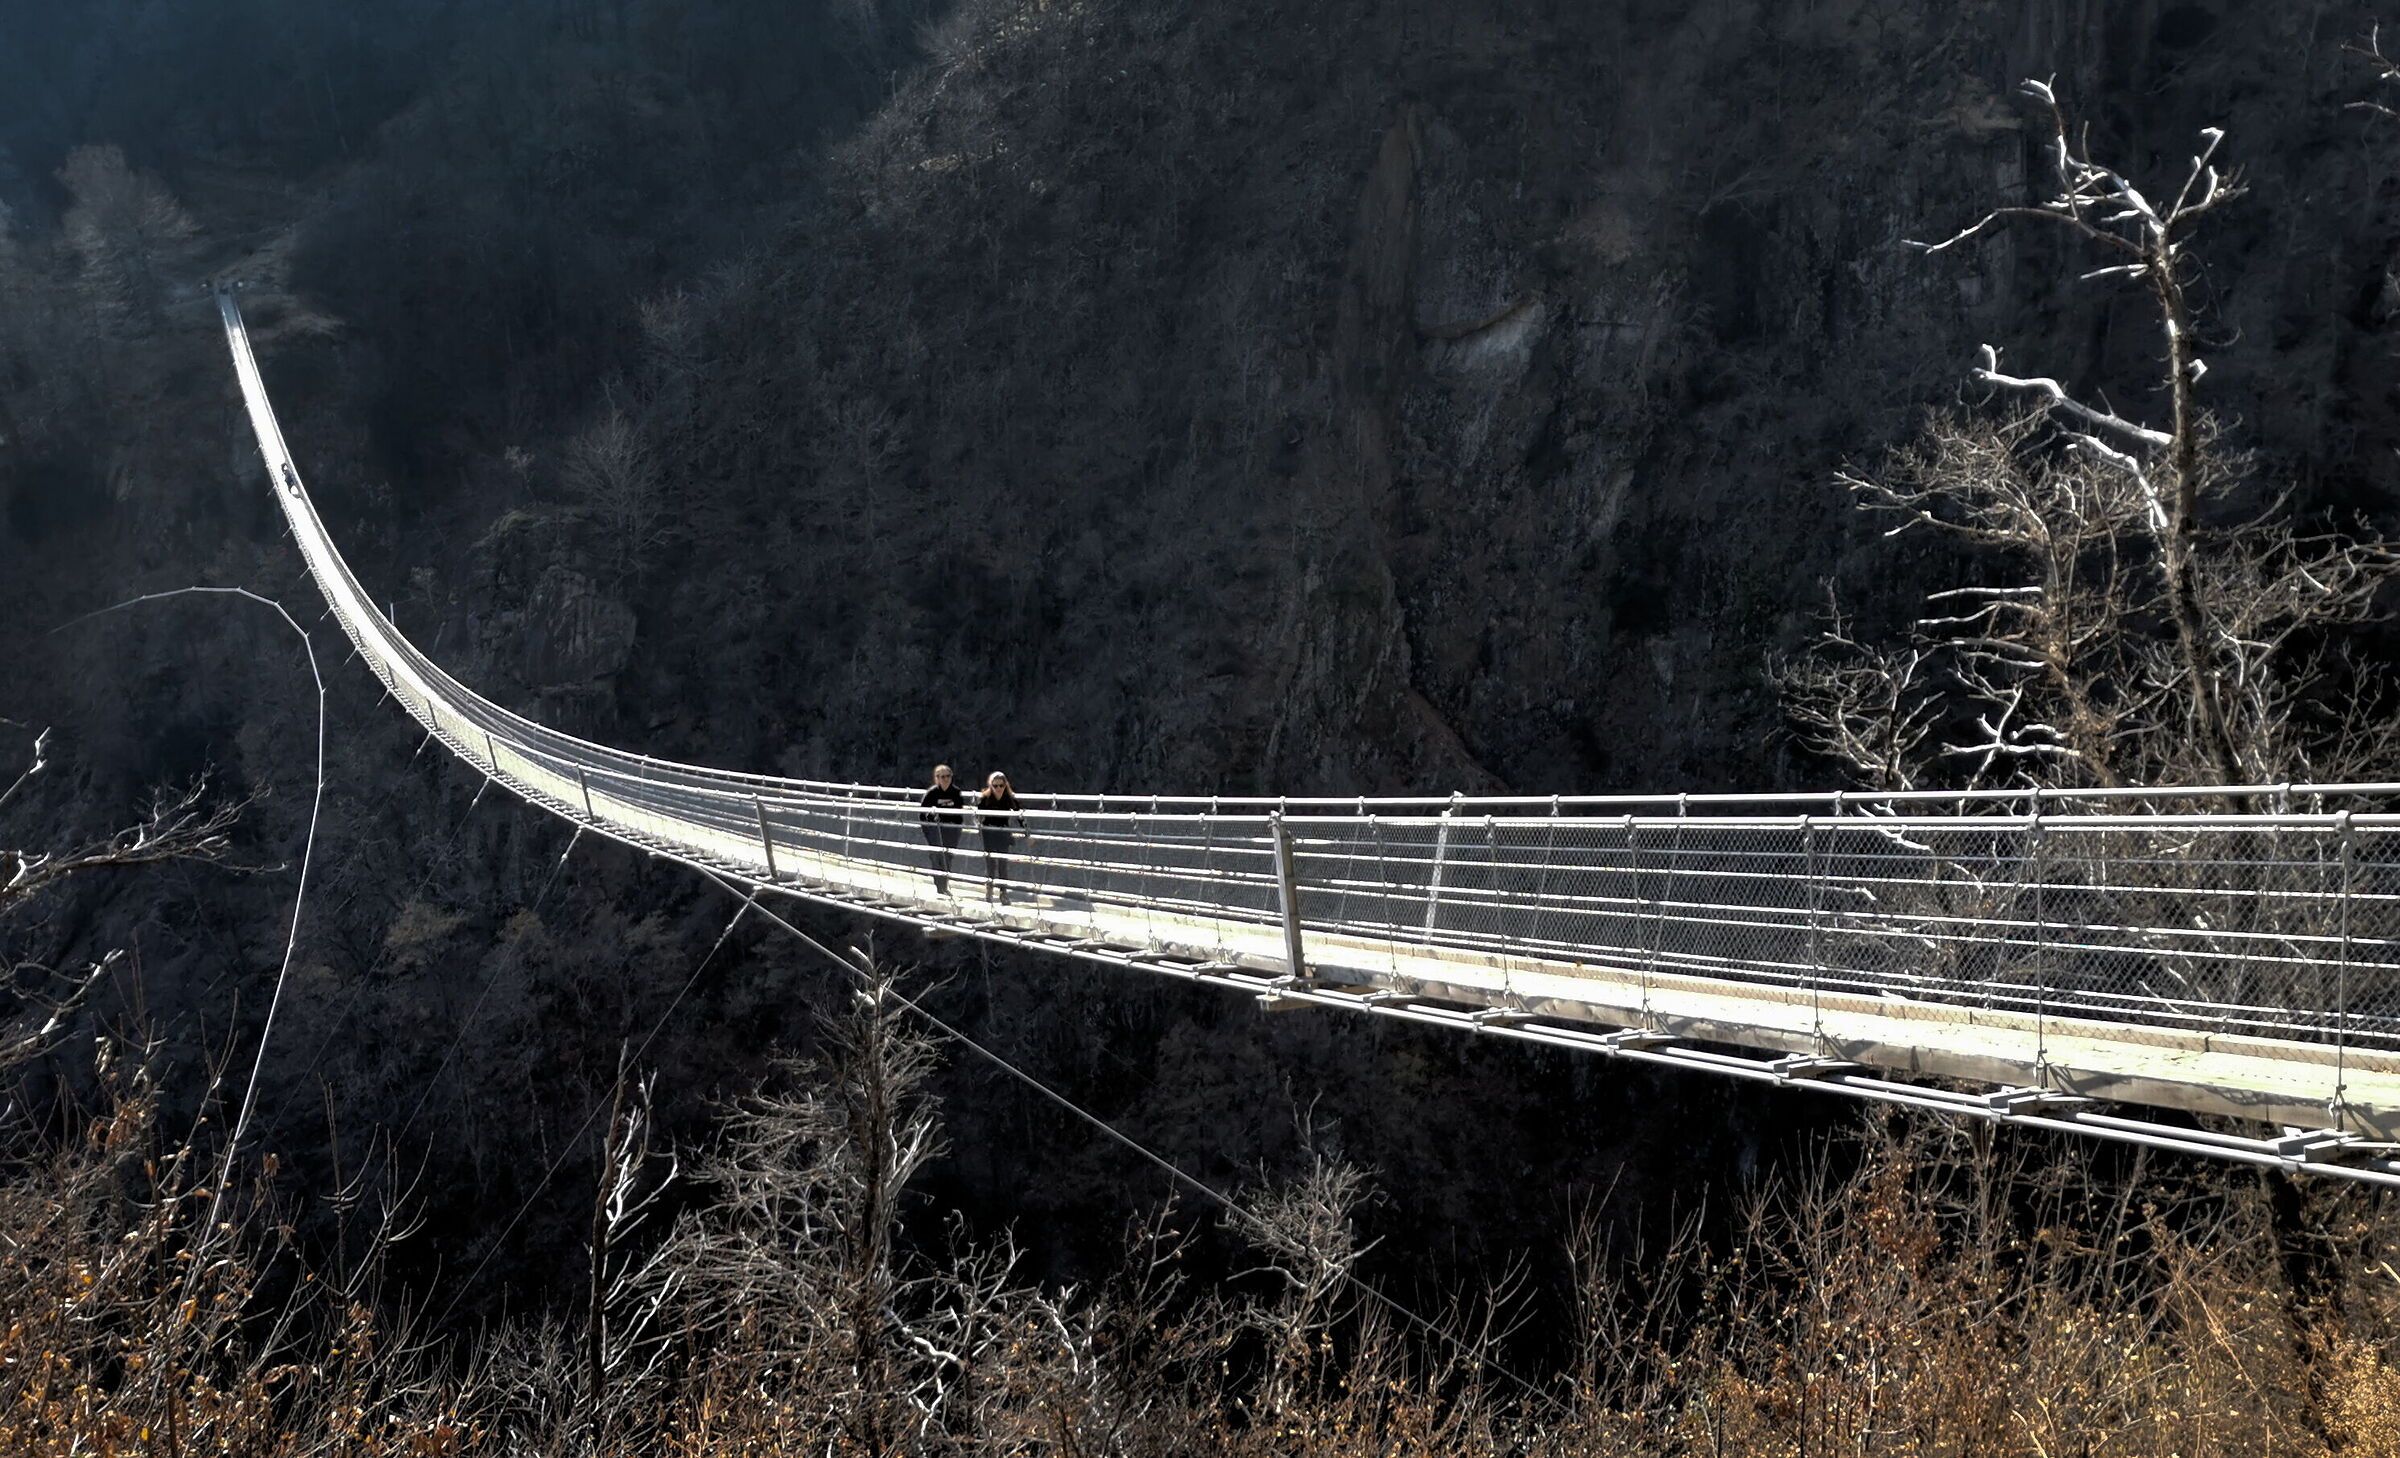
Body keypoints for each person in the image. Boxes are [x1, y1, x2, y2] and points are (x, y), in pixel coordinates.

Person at [918, 764, 968, 896]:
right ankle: (939, 886)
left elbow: (959, 812)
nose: (945, 779)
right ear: (937, 778)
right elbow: (922, 813)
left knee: (947, 857)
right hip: (936, 830)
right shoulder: (932, 793)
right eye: (942, 777)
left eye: (947, 776)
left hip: (952, 830)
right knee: (937, 857)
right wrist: (928, 828)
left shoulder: (956, 792)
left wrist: (958, 828)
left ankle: (944, 885)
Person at [976, 771, 1021, 902]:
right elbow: (976, 813)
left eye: (1001, 785)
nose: (998, 789)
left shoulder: (1009, 798)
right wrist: (979, 825)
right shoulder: (985, 798)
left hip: (1003, 832)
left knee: (1002, 864)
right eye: (995, 786)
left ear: (1005, 785)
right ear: (991, 786)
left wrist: (1026, 832)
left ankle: (1003, 893)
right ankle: (989, 889)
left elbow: (1019, 814)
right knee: (990, 863)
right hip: (988, 832)